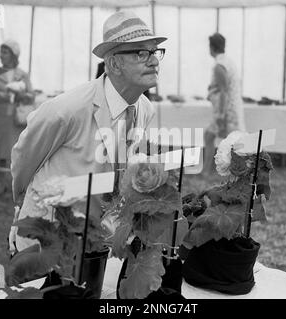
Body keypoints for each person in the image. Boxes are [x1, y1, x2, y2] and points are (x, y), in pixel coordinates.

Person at [9, 11, 167, 253]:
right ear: (114, 63)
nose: (154, 60)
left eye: (155, 52)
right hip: (47, 236)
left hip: (96, 237)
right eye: (141, 53)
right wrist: (20, 206)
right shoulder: (66, 109)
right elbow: (24, 159)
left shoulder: (145, 109)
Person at [0, 40, 35, 195]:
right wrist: (6, 94)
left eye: (5, 52)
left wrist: (20, 94)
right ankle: (0, 185)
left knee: (17, 153)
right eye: (1, 51)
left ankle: (19, 185)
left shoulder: (22, 75)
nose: (1, 55)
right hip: (0, 118)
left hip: (16, 120)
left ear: (14, 55)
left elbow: (31, 96)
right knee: (0, 154)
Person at [203, 33, 245, 176]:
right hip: (231, 107)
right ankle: (210, 170)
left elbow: (223, 91)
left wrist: (221, 114)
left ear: (212, 47)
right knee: (230, 140)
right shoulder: (228, 61)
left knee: (212, 137)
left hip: (226, 110)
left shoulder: (219, 66)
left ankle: (207, 170)